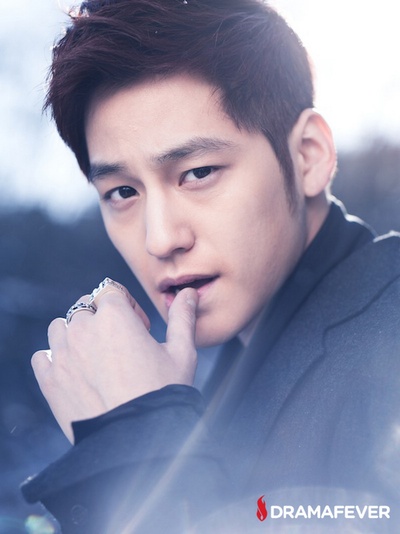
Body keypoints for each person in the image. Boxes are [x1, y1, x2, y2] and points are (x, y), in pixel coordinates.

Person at [21, 0, 400, 532]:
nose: (160, 239)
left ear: (309, 155)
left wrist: (131, 450)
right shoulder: (230, 365)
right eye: (123, 191)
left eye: (198, 173)